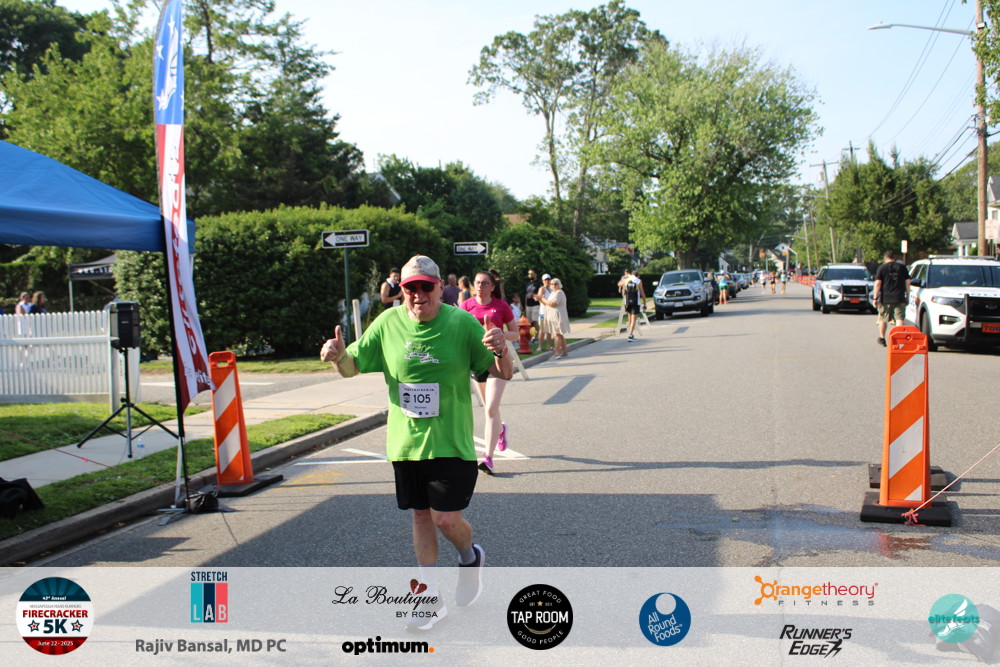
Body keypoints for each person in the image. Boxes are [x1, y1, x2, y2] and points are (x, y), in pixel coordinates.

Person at [320, 255, 512, 630]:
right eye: (411, 288)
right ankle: (429, 600)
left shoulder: (462, 323)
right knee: (422, 515)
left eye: (426, 286)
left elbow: (501, 372)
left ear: (440, 288)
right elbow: (351, 366)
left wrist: (501, 348)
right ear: (402, 290)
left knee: (446, 519)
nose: (418, 294)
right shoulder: (387, 323)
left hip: (451, 442)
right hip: (406, 443)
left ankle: (470, 556)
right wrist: (338, 356)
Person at [462, 271, 517, 475]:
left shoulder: (501, 306)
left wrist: (499, 333)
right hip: (477, 362)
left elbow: (515, 333)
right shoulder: (466, 306)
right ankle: (499, 429)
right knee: (489, 409)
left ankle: (488, 457)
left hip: (498, 359)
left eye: (485, 283)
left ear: (493, 286)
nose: (480, 286)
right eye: (477, 283)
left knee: (491, 409)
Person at [873, 249, 911, 347]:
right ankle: (897, 340)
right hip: (899, 296)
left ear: (885, 258)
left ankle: (882, 338)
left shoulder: (882, 268)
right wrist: (907, 296)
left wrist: (875, 298)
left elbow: (878, 283)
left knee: (883, 318)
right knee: (899, 318)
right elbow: (908, 283)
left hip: (886, 298)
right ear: (894, 258)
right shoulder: (902, 267)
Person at [537, 278, 571, 357]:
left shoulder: (559, 292)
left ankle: (557, 353)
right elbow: (547, 303)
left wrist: (542, 298)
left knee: (556, 334)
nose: (553, 285)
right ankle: (565, 352)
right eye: (552, 284)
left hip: (558, 316)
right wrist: (540, 299)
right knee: (559, 334)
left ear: (559, 285)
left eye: (555, 284)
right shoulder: (553, 293)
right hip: (553, 316)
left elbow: (552, 303)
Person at [618, 270, 646, 341]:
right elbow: (642, 292)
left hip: (627, 301)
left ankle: (630, 333)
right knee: (634, 319)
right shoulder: (638, 281)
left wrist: (626, 277)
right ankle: (630, 335)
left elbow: (619, 284)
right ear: (637, 275)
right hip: (635, 302)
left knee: (630, 317)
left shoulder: (627, 280)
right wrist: (644, 302)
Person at [535, 274, 553, 352]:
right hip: (543, 312)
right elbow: (539, 299)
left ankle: (549, 346)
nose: (547, 281)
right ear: (543, 281)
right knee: (542, 329)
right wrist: (547, 303)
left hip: (551, 312)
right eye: (545, 280)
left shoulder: (552, 289)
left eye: (548, 279)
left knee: (549, 330)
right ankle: (540, 346)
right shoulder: (542, 289)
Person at [524, 269, 542, 344]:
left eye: (532, 273)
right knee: (529, 323)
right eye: (529, 274)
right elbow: (526, 295)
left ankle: (536, 337)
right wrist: (525, 306)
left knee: (535, 321)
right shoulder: (528, 284)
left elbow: (541, 294)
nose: (530, 275)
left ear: (535, 274)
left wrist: (533, 295)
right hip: (528, 305)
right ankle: (531, 337)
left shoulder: (539, 283)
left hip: (536, 305)